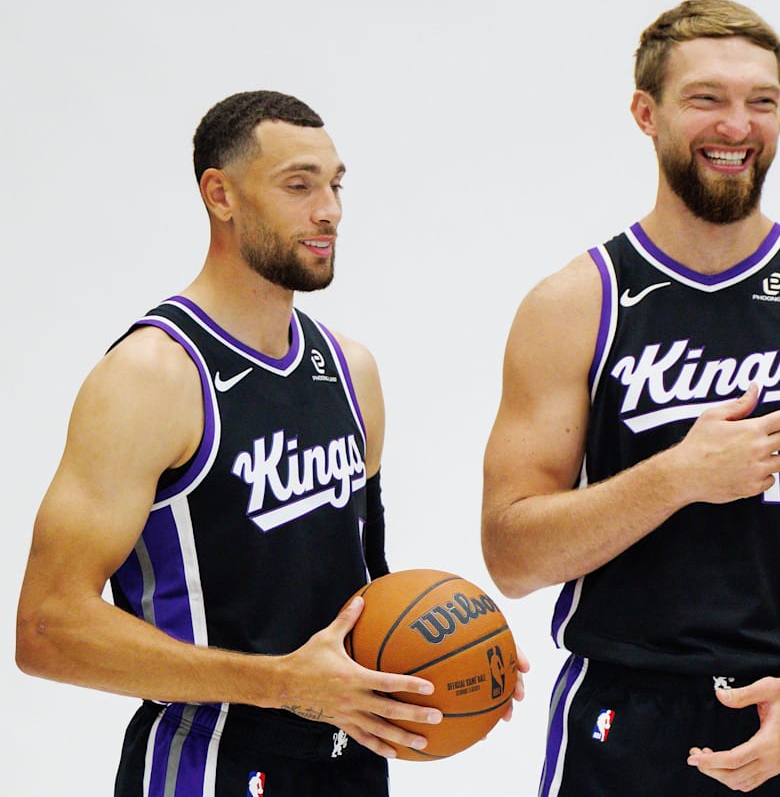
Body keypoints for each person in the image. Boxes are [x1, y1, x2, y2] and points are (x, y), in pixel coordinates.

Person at [15, 91, 524, 796]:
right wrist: (282, 684)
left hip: (350, 763)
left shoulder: (351, 370)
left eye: (336, 185)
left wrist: (445, 661)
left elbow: (362, 591)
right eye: (298, 186)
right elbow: (47, 629)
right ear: (220, 195)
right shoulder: (152, 377)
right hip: (207, 765)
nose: (329, 210)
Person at [482, 0, 780, 796]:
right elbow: (511, 555)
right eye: (707, 99)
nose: (737, 125)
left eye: (761, 101)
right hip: (620, 716)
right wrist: (677, 477)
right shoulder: (575, 304)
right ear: (645, 113)